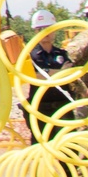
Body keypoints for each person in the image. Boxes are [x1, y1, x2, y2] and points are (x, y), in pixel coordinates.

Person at [25, 8, 76, 142]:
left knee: (67, 150)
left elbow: (70, 75)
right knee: (40, 150)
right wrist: (59, 73)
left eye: (48, 28)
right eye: (40, 29)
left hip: (63, 107)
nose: (45, 33)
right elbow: (33, 77)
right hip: (40, 108)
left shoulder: (62, 54)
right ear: (35, 31)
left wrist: (50, 74)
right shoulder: (28, 56)